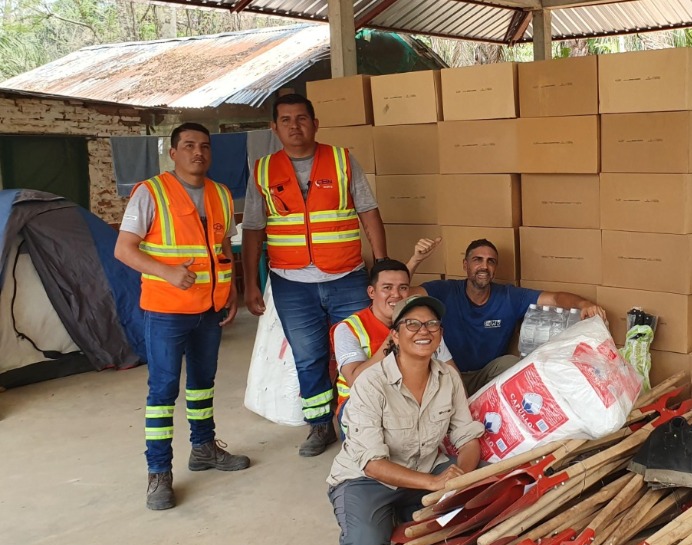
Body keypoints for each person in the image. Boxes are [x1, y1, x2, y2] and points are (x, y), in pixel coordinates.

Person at [241, 93, 388, 458]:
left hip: (347, 276)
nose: (295, 126)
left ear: (315, 123)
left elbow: (369, 212)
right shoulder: (262, 170)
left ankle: (368, 421)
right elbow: (253, 230)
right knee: (308, 356)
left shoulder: (341, 160)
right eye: (286, 120)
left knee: (362, 349)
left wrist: (382, 266)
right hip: (292, 284)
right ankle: (320, 425)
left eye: (302, 118)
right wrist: (250, 283)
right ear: (274, 128)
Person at [114, 123, 250, 510]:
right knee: (163, 391)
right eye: (188, 145)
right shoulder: (150, 192)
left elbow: (223, 246)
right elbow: (124, 250)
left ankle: (204, 447)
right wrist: (167, 271)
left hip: (209, 309)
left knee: (203, 384)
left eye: (205, 146)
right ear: (172, 153)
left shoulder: (221, 194)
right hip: (166, 310)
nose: (198, 153)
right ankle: (159, 472)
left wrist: (232, 289)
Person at [326, 296, 485, 545]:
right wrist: (435, 484)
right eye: (412, 324)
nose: (423, 331)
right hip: (368, 479)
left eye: (431, 324)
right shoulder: (370, 383)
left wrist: (461, 479)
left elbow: (467, 437)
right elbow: (372, 464)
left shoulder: (447, 376)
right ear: (395, 337)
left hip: (425, 466)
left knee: (482, 496)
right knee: (366, 544)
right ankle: (380, 525)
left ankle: (405, 510)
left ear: (440, 334)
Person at [414, 239, 606, 395]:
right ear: (465, 265)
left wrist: (583, 304)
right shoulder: (445, 290)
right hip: (447, 373)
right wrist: (415, 260)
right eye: (477, 260)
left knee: (512, 364)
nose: (484, 266)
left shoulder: (509, 296)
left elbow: (555, 298)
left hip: (487, 375)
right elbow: (400, 295)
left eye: (491, 261)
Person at [332, 254, 456, 423]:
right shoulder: (348, 329)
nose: (396, 294)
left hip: (413, 401)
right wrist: (396, 336)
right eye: (387, 288)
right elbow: (355, 381)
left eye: (403, 288)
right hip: (360, 407)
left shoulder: (425, 324)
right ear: (371, 292)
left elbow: (451, 373)